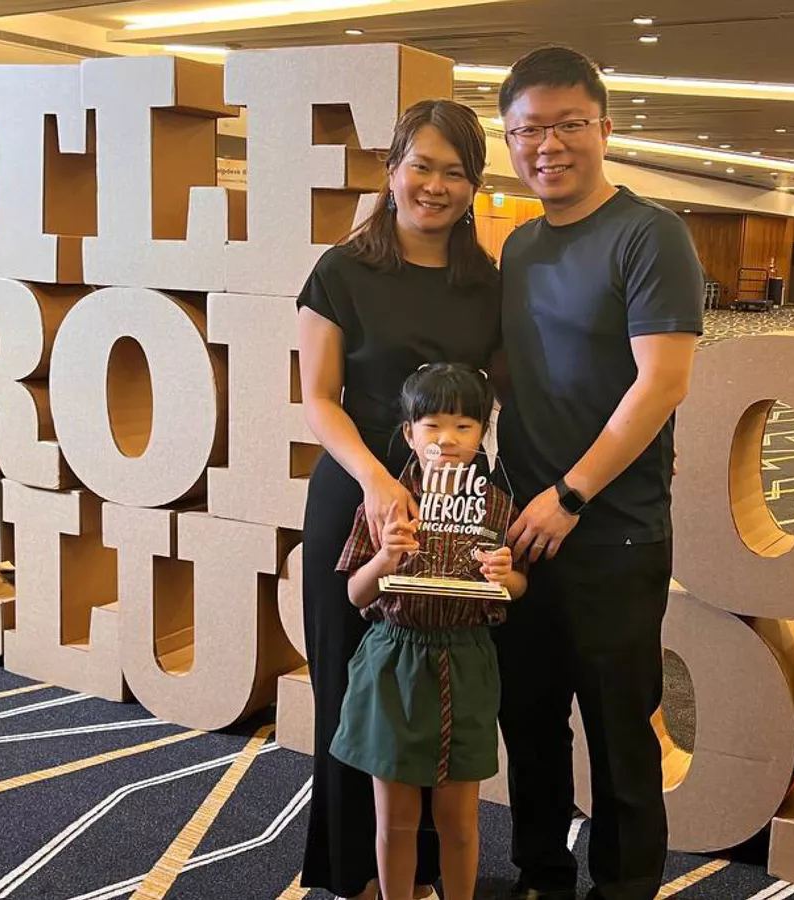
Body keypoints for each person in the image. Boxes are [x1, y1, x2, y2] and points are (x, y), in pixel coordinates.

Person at [491, 46, 704, 900]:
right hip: (522, 528)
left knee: (620, 736)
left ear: (605, 128)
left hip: (613, 533)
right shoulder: (519, 246)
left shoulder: (650, 235)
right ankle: (542, 874)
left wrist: (572, 493)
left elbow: (663, 382)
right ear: (510, 140)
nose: (548, 145)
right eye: (528, 130)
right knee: (528, 721)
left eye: (568, 124)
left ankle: (623, 887)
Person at [296, 100, 501, 900]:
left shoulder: (484, 282)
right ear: (391, 170)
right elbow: (319, 398)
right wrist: (377, 481)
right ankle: (355, 869)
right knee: (350, 687)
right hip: (355, 495)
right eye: (421, 165)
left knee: (438, 678)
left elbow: (508, 395)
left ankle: (432, 871)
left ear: (474, 186)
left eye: (455, 172)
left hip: (453, 504)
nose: (435, 185)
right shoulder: (342, 270)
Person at [331, 362, 529, 900]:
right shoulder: (388, 502)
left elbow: (517, 588)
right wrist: (385, 559)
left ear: (482, 434)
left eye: (464, 425)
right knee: (395, 819)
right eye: (433, 425)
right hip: (393, 660)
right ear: (409, 434)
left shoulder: (495, 504)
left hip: (466, 661)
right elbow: (355, 594)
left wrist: (505, 575)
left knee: (459, 820)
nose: (448, 438)